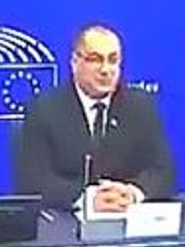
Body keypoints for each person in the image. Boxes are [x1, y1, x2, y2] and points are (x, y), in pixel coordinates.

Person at [15, 23, 175, 213]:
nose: (106, 70)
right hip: (66, 221)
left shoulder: (141, 107)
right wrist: (88, 199)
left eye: (113, 60)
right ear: (75, 63)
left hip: (128, 218)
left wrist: (132, 193)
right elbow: (33, 180)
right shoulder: (44, 109)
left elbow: (163, 170)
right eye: (95, 60)